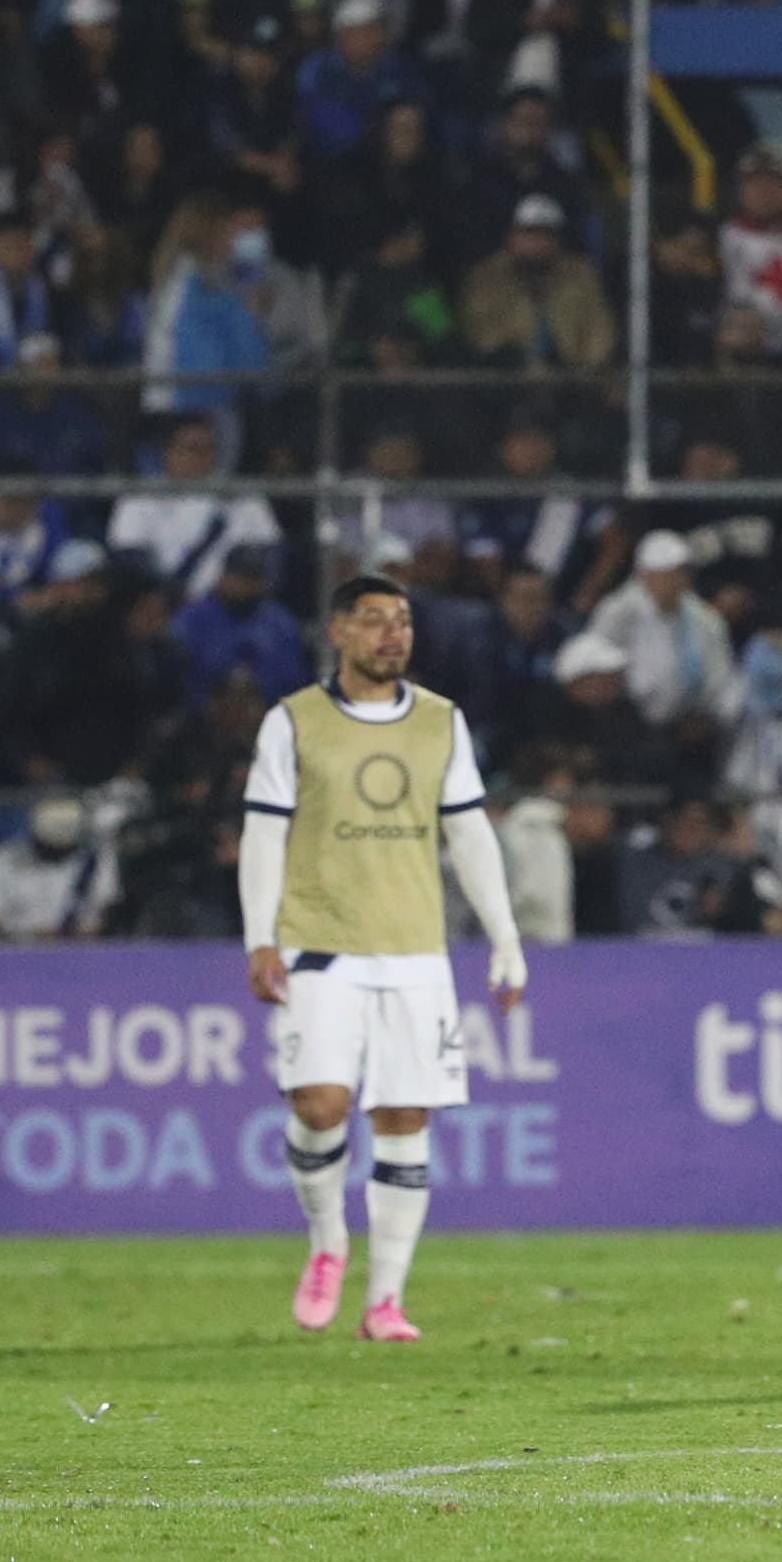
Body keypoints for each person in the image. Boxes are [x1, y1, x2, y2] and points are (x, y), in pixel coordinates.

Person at [239, 574, 526, 1344]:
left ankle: (386, 1300)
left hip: (414, 949)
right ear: (338, 633)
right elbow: (264, 835)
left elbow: (469, 834)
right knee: (321, 1103)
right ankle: (329, 1239)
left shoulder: (440, 722)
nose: (392, 634)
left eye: (402, 621)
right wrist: (259, 938)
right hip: (320, 941)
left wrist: (504, 936)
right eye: (373, 621)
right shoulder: (293, 722)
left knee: (405, 1117)